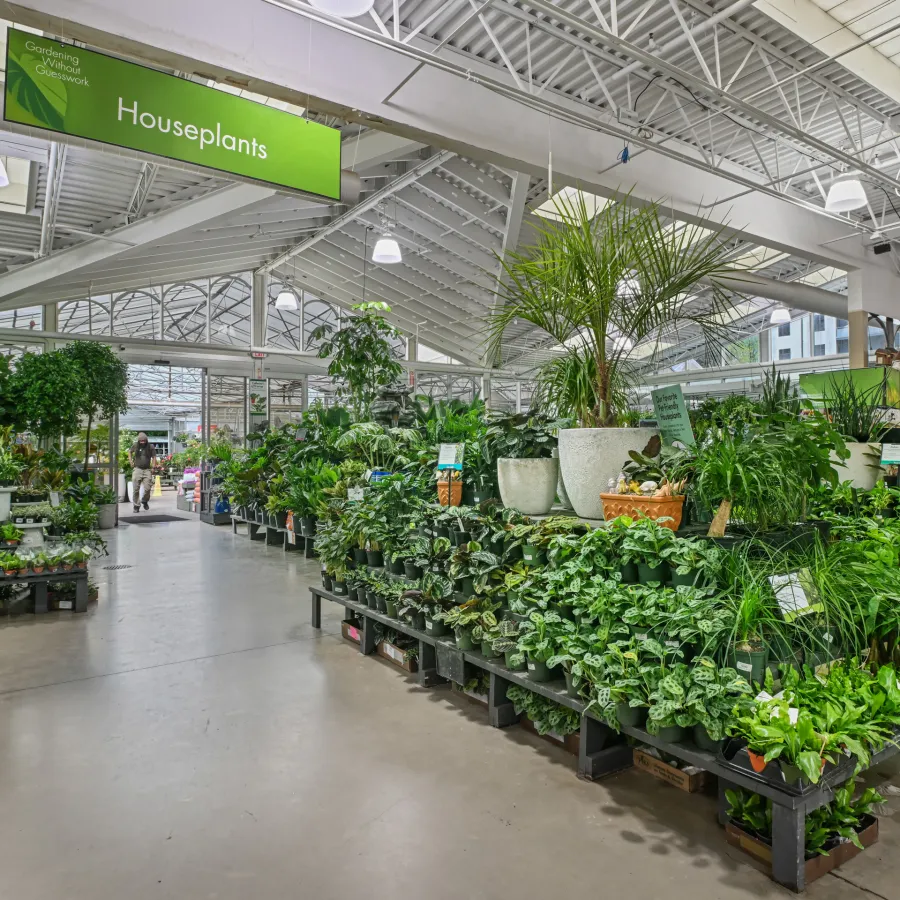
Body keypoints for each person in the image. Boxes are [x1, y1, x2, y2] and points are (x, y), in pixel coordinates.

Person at [129, 432, 157, 513]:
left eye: (144, 441)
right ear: (138, 440)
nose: (142, 442)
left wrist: (153, 466)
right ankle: (136, 506)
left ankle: (144, 500)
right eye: (140, 441)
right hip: (137, 469)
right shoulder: (135, 445)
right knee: (135, 489)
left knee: (148, 488)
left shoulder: (150, 446)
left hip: (147, 469)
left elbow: (154, 457)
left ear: (146, 440)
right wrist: (131, 461)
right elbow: (130, 452)